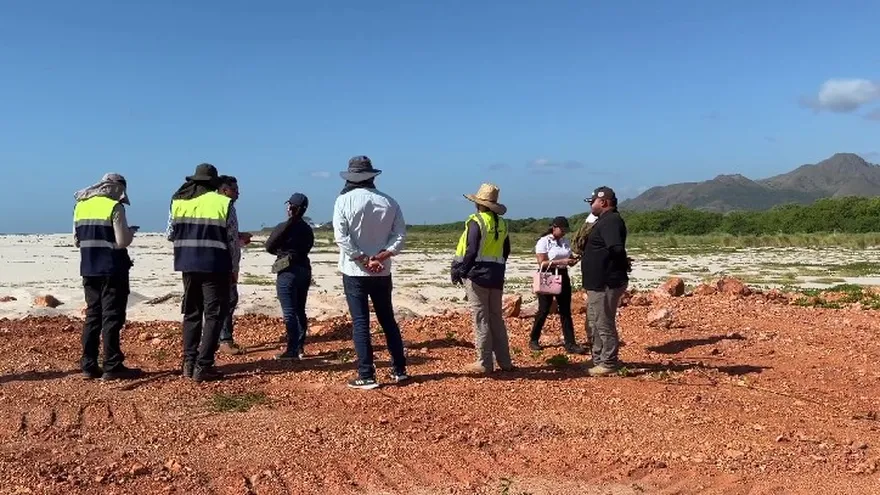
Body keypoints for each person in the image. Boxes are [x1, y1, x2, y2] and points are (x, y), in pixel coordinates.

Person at [333, 156, 408, 390]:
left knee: (361, 322)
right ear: (373, 176)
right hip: (382, 271)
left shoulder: (343, 201)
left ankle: (366, 373)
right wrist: (381, 257)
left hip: (355, 270)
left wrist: (363, 258)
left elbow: (341, 237)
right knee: (387, 319)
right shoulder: (390, 202)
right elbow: (399, 236)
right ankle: (400, 369)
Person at [166, 163, 239, 383]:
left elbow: (170, 234)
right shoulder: (224, 203)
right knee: (214, 314)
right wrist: (234, 269)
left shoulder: (178, 202)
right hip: (215, 265)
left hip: (187, 265)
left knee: (192, 313)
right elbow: (232, 241)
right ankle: (203, 365)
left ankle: (188, 363)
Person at [73, 173, 142, 381]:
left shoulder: (81, 205)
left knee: (93, 316)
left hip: (89, 268)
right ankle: (112, 364)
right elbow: (121, 241)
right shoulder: (115, 207)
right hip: (113, 268)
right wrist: (131, 231)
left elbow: (76, 241)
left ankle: (88, 365)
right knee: (111, 317)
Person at [450, 183, 514, 374]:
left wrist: (460, 270)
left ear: (478, 203)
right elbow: (506, 250)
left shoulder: (475, 221)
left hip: (477, 276)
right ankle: (505, 361)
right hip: (496, 275)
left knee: (481, 319)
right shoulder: (502, 224)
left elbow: (471, 249)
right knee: (496, 319)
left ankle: (484, 362)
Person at [581, 186, 630, 377]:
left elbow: (616, 249)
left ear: (603, 202)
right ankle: (599, 359)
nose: (591, 204)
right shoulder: (603, 221)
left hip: (605, 282)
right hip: (597, 283)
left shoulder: (611, 221)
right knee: (594, 321)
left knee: (603, 322)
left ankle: (609, 361)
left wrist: (616, 270)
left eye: (592, 201)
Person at [265, 193, 314, 360]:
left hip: (287, 272)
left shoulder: (283, 226)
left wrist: (281, 252)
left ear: (290, 208)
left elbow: (269, 246)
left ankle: (292, 350)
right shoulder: (307, 229)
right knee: (300, 309)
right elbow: (308, 247)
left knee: (289, 312)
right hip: (304, 269)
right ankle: (299, 347)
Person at [529, 216, 584, 354]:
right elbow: (541, 262)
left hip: (563, 274)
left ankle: (570, 343)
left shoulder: (565, 241)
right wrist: (562, 261)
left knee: (565, 310)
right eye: (562, 229)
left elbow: (568, 256)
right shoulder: (544, 241)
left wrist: (571, 260)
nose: (564, 232)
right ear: (554, 227)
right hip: (548, 274)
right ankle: (534, 339)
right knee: (544, 309)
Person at [217, 175, 250, 355]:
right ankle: (225, 340)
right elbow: (227, 239)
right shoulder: (225, 207)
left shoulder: (222, 207)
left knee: (220, 301)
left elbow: (228, 235)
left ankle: (217, 339)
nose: (238, 193)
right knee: (228, 300)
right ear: (224, 190)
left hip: (221, 261)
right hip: (225, 263)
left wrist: (239, 238)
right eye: (234, 190)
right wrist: (233, 268)